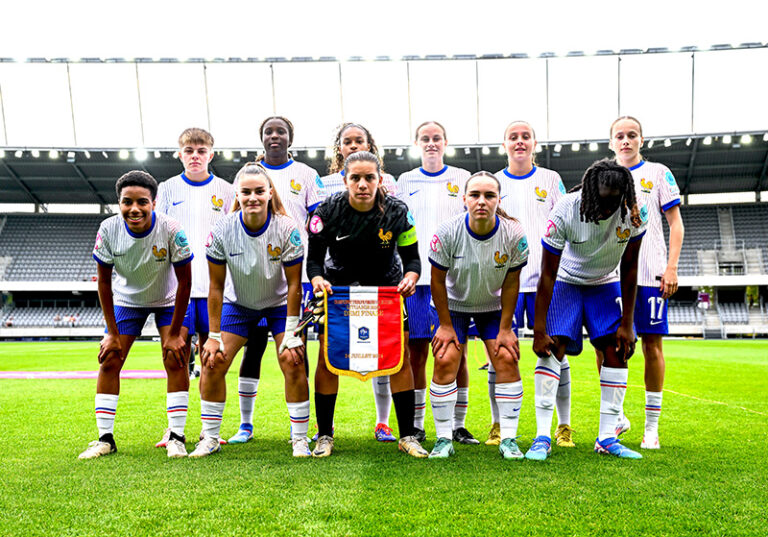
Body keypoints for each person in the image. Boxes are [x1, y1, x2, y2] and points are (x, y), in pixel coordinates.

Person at [307, 151, 427, 459]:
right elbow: (314, 262)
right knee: (326, 359)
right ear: (345, 180)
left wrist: (411, 277)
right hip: (339, 294)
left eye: (369, 177)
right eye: (355, 178)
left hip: (385, 293)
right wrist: (318, 280)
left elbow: (412, 259)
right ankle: (324, 435)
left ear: (380, 179)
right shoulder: (327, 211)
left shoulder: (398, 213)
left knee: (399, 361)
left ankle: (407, 436)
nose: (363, 184)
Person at [189, 162, 309, 458]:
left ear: (270, 193)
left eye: (259, 191)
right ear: (237, 195)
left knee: (293, 360)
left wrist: (293, 331)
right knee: (212, 361)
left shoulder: (287, 229)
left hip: (281, 304)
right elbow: (215, 287)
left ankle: (300, 439)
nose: (253, 197)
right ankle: (211, 437)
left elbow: (295, 284)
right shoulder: (221, 230)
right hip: (238, 305)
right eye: (246, 192)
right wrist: (213, 335)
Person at [530, 158, 646, 460]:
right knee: (551, 348)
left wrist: (627, 323)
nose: (606, 211)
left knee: (618, 350)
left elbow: (631, 268)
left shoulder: (635, 214)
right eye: (601, 202)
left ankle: (607, 437)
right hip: (566, 281)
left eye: (613, 203)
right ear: (589, 193)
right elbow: (547, 274)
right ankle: (542, 436)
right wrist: (539, 329)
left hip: (605, 283)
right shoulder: (566, 209)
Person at [80, 171, 192, 459]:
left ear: (153, 203)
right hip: (128, 301)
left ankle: (176, 436)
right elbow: (104, 282)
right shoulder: (108, 229)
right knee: (110, 359)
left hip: (168, 301)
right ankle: (105, 439)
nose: (134, 209)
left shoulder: (171, 228)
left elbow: (185, 282)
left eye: (142, 202)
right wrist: (111, 333)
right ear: (119, 202)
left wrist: (177, 332)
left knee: (175, 358)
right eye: (127, 202)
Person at [228, 116, 325, 445]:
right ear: (262, 138)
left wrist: (316, 267)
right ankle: (245, 424)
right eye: (268, 131)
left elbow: (318, 221)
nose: (274, 136)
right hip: (254, 274)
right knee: (251, 350)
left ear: (289, 138)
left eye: (280, 131)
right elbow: (232, 214)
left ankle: (301, 427)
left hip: (295, 274)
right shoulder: (247, 174)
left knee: (296, 351)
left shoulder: (307, 175)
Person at [427, 172, 529, 459]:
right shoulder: (447, 232)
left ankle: (509, 439)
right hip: (453, 306)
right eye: (475, 195)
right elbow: (437, 281)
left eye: (489, 195)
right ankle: (444, 438)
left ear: (499, 200)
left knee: (507, 357)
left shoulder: (514, 234)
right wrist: (445, 325)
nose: (481, 201)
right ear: (464, 200)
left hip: (493, 307)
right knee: (446, 359)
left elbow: (511, 283)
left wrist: (507, 328)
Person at [600, 116, 684, 450]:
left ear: (641, 140)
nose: (625, 140)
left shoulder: (658, 174)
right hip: (609, 277)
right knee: (606, 346)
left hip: (650, 274)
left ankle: (651, 427)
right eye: (619, 136)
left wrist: (672, 267)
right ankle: (616, 417)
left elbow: (675, 223)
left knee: (652, 345)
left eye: (631, 135)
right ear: (611, 142)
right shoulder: (603, 175)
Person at [396, 121, 477, 444]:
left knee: (458, 351)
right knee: (416, 352)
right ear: (416, 143)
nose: (431, 143)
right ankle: (416, 424)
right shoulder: (405, 181)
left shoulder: (460, 179)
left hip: (454, 278)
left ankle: (458, 424)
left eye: (436, 139)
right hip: (416, 280)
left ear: (446, 142)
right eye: (425, 139)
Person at [492, 120, 572, 448]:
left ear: (535, 143)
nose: (520, 142)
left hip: (547, 281)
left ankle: (563, 425)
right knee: (501, 351)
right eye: (514, 137)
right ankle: (498, 425)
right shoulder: (495, 182)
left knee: (555, 353)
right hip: (506, 280)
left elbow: (566, 219)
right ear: (505, 144)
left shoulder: (550, 179)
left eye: (526, 137)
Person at [154, 127, 233, 448]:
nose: (195, 156)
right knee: (175, 358)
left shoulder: (227, 191)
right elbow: (157, 234)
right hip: (178, 291)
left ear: (211, 154)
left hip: (217, 289)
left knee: (211, 360)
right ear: (180, 154)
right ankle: (174, 430)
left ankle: (208, 429)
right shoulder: (167, 189)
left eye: (201, 151)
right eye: (189, 151)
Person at [321, 122, 399, 443]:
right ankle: (326, 428)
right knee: (330, 352)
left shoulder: (388, 181)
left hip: (379, 280)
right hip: (337, 281)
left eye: (359, 140)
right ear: (338, 148)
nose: (353, 145)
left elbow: (391, 224)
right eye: (347, 141)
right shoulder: (322, 183)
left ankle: (383, 422)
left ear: (371, 144)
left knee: (383, 351)